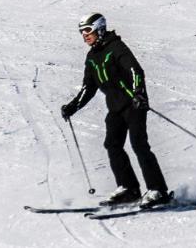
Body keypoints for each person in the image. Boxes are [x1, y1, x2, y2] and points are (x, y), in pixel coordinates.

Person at [60, 13, 171, 208]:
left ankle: (157, 190)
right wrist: (73, 106)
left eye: (88, 30)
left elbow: (136, 71)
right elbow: (89, 87)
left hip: (133, 104)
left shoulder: (116, 47)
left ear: (99, 28)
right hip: (115, 107)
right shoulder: (92, 56)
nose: (85, 35)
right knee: (112, 144)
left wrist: (139, 94)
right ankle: (129, 189)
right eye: (82, 32)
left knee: (139, 144)